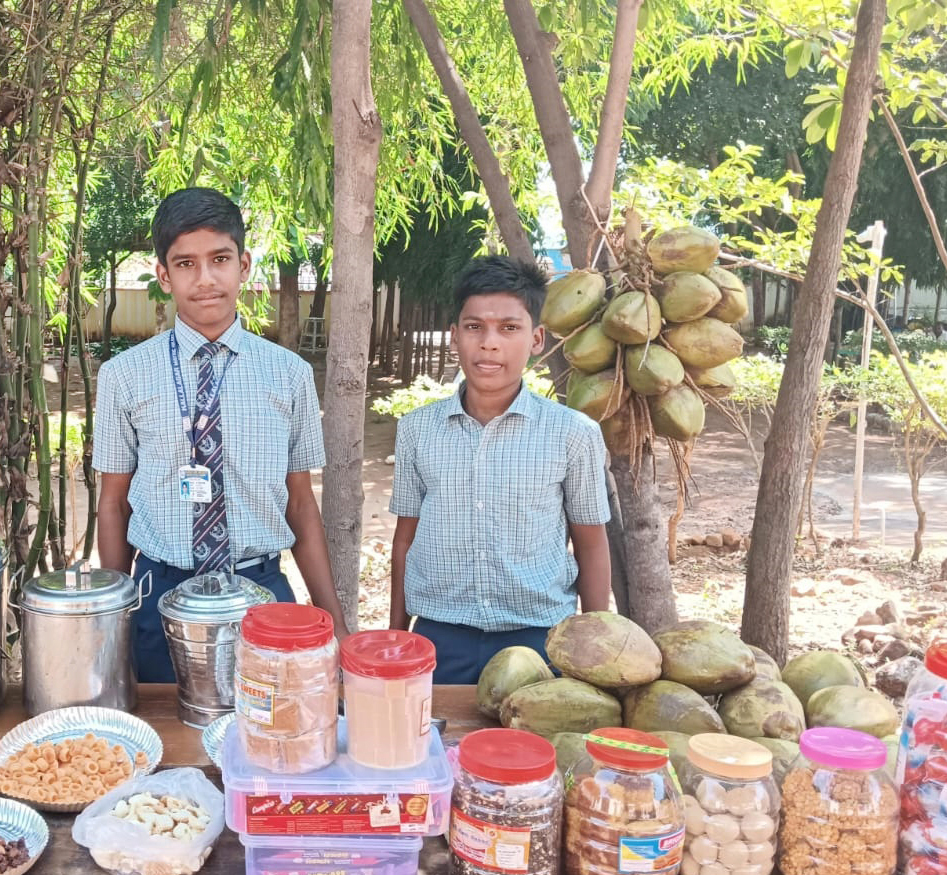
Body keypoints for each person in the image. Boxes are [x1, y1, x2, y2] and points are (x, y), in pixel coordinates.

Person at [93, 187, 346, 683]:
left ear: (244, 265)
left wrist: (332, 618)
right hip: (158, 597)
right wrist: (116, 614)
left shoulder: (288, 374)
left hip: (263, 594)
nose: (205, 279)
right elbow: (113, 504)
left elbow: (300, 504)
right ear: (163, 275)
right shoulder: (124, 376)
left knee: (272, 741)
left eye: (220, 259)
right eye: (185, 264)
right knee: (167, 745)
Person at [388, 256, 611, 685]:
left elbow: (590, 543)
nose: (489, 343)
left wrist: (593, 644)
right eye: (474, 327)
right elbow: (406, 537)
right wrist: (398, 635)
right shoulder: (417, 429)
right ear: (454, 337)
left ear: (537, 339)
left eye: (509, 328)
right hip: (439, 637)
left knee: (530, 749)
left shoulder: (573, 433)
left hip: (539, 638)